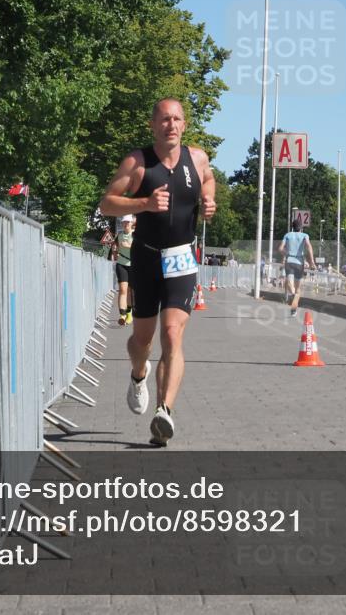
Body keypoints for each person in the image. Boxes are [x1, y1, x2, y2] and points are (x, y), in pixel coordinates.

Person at [99, 98, 215, 446]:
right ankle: (138, 374)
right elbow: (107, 202)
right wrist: (144, 204)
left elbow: (207, 180)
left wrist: (209, 200)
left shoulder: (197, 158)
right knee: (142, 341)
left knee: (173, 333)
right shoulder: (137, 163)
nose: (172, 125)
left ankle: (164, 412)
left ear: (185, 125)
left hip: (182, 259)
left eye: (177, 119)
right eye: (165, 119)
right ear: (153, 125)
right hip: (146, 259)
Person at [278, 217, 316, 317]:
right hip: (300, 262)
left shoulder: (287, 235)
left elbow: (280, 248)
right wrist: (312, 262)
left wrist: (287, 254)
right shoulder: (305, 235)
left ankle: (294, 301)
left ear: (292, 227)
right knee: (298, 289)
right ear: (301, 228)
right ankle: (294, 306)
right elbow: (309, 247)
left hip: (289, 261)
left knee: (290, 285)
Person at [112, 215, 135, 326]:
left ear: (131, 223)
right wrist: (115, 252)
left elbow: (142, 248)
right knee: (123, 290)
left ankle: (129, 314)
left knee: (130, 291)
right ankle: (122, 315)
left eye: (127, 222)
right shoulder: (119, 235)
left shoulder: (136, 235)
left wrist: (129, 246)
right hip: (121, 264)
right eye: (124, 222)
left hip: (134, 265)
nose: (125, 224)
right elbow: (114, 246)